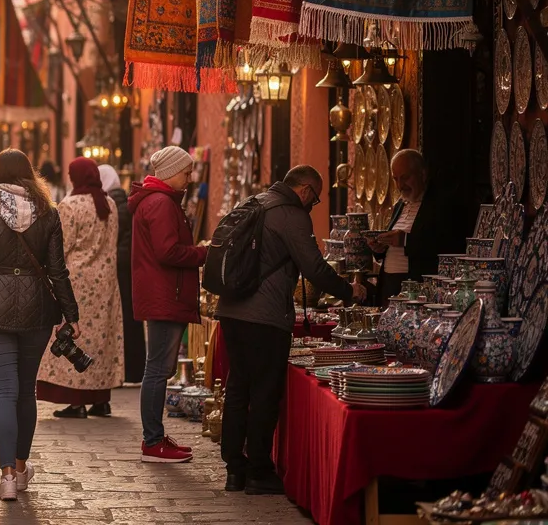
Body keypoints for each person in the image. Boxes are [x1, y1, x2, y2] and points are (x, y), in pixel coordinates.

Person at [217, 166, 367, 495]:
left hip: (230, 310)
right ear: (304, 191)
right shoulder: (292, 215)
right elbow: (314, 267)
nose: (315, 203)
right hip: (265, 316)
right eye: (315, 197)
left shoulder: (253, 202)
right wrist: (349, 291)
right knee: (265, 392)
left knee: (238, 387)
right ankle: (258, 471)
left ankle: (234, 470)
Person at [0, 149, 80, 502]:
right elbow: (57, 269)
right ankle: (22, 466)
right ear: (30, 175)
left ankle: (7, 477)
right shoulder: (48, 214)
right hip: (37, 311)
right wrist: (70, 313)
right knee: (27, 391)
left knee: (4, 391)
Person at [129, 146, 206, 463]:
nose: (190, 178)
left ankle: (155, 436)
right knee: (158, 369)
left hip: (163, 293)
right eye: (186, 172)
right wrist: (204, 254)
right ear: (171, 171)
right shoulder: (160, 203)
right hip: (164, 295)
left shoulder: (160, 201)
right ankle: (152, 441)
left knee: (159, 368)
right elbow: (168, 252)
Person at [38, 158, 124, 419]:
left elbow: (61, 248)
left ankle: (75, 402)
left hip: (77, 282)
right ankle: (101, 400)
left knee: (74, 337)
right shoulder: (109, 204)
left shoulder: (70, 206)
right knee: (101, 340)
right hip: (106, 281)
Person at [367, 149, 468, 304]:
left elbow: (447, 244)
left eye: (405, 177)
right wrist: (380, 248)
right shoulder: (400, 205)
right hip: (389, 284)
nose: (400, 185)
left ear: (423, 174)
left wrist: (406, 240)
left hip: (415, 288)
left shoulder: (440, 205)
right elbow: (394, 245)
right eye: (396, 179)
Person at [101, 163, 144, 384]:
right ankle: (133, 369)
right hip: (127, 264)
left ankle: (130, 369)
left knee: (124, 316)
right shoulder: (121, 199)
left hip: (120, 266)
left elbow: (114, 236)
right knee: (129, 316)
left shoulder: (113, 203)